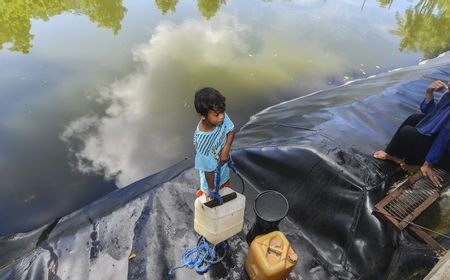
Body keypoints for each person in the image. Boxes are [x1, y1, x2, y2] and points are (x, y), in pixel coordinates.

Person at [373, 79, 450, 187]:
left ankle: (413, 164)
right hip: (444, 142)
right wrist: (429, 92)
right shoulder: (447, 96)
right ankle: (393, 154)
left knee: (407, 132)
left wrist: (428, 164)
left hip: (447, 155)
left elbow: (443, 139)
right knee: (415, 118)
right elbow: (429, 112)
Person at [193, 87, 236, 200]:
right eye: (217, 114)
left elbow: (231, 131)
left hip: (224, 170)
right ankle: (205, 192)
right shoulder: (203, 144)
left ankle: (222, 186)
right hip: (210, 178)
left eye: (222, 112)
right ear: (202, 116)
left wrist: (226, 148)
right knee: (210, 195)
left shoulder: (220, 116)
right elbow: (209, 171)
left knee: (225, 186)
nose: (222, 116)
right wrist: (212, 191)